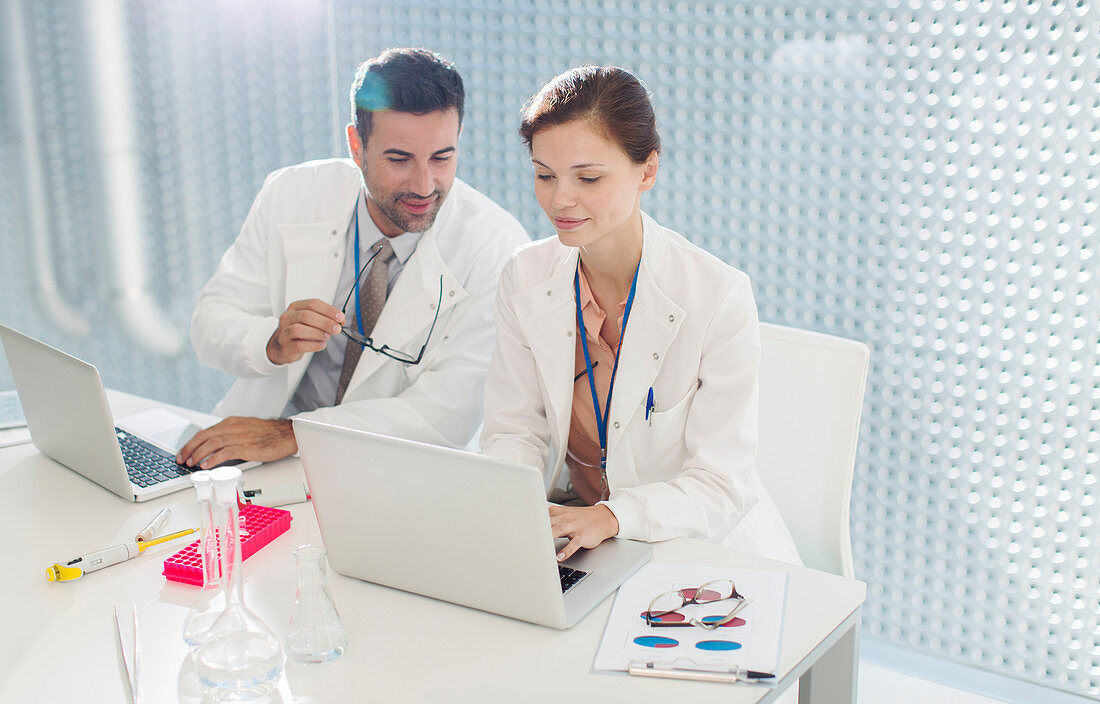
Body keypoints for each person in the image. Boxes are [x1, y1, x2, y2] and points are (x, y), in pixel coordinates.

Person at [480, 66, 800, 565]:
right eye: (545, 175)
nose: (560, 199)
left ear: (647, 171)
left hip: (698, 550)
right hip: (579, 540)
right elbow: (515, 430)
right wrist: (515, 508)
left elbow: (719, 485)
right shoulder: (525, 277)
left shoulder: (718, 296)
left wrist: (612, 516)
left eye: (587, 177)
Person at [179, 48, 528, 469]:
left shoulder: (496, 246)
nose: (424, 185)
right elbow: (209, 324)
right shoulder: (293, 193)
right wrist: (270, 341)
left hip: (389, 468)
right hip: (259, 453)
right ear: (357, 146)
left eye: (442, 157)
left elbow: (448, 412)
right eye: (399, 159)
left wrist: (294, 435)